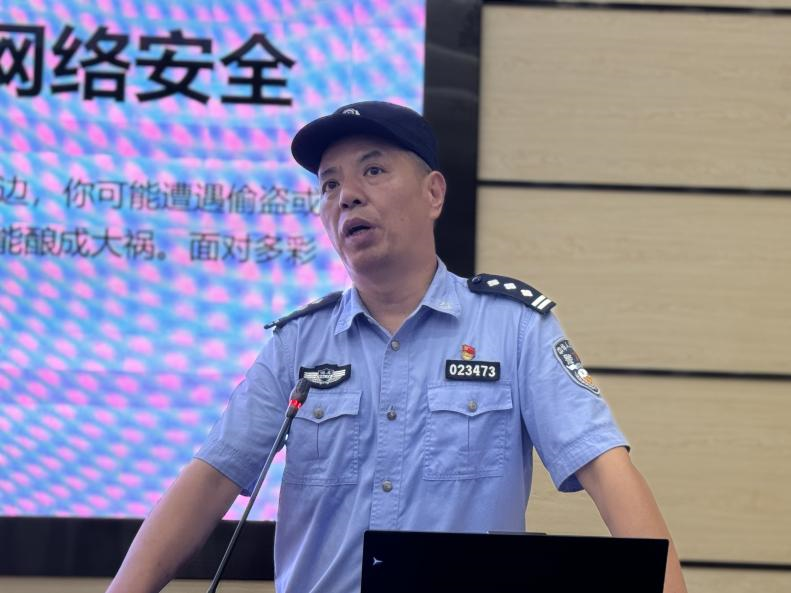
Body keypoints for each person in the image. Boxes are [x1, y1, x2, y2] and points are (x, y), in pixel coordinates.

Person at [107, 101, 687, 593]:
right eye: (330, 184)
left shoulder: (513, 329)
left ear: (433, 193)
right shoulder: (297, 344)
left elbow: (605, 469)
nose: (347, 197)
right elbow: (210, 481)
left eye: (374, 171)